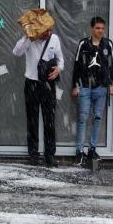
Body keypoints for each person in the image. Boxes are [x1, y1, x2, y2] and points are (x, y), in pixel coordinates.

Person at [13, 9, 65, 167]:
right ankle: (33, 155)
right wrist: (26, 37)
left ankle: (50, 155)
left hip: (48, 84)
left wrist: (58, 69)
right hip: (31, 83)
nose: (48, 32)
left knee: (50, 121)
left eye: (50, 29)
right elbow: (16, 52)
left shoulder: (54, 39)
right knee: (32, 121)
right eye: (45, 30)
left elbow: (61, 59)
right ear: (38, 29)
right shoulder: (29, 40)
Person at [70, 16, 113, 167]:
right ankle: (79, 151)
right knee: (83, 118)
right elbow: (76, 66)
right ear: (91, 28)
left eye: (102, 28)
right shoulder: (84, 44)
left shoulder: (108, 44)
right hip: (85, 86)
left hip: (101, 87)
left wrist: (111, 84)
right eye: (97, 28)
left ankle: (92, 149)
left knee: (97, 118)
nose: (100, 31)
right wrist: (75, 85)